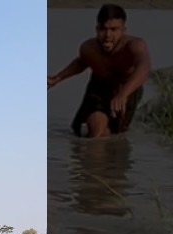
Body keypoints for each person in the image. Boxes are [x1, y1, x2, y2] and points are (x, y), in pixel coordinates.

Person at [47, 4, 151, 138]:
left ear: (123, 30)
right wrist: (57, 78)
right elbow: (81, 62)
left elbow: (144, 67)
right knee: (95, 129)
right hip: (99, 87)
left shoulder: (134, 46)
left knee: (115, 132)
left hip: (126, 89)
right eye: (103, 29)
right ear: (96, 29)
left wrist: (123, 94)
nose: (108, 35)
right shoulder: (89, 48)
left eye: (114, 30)